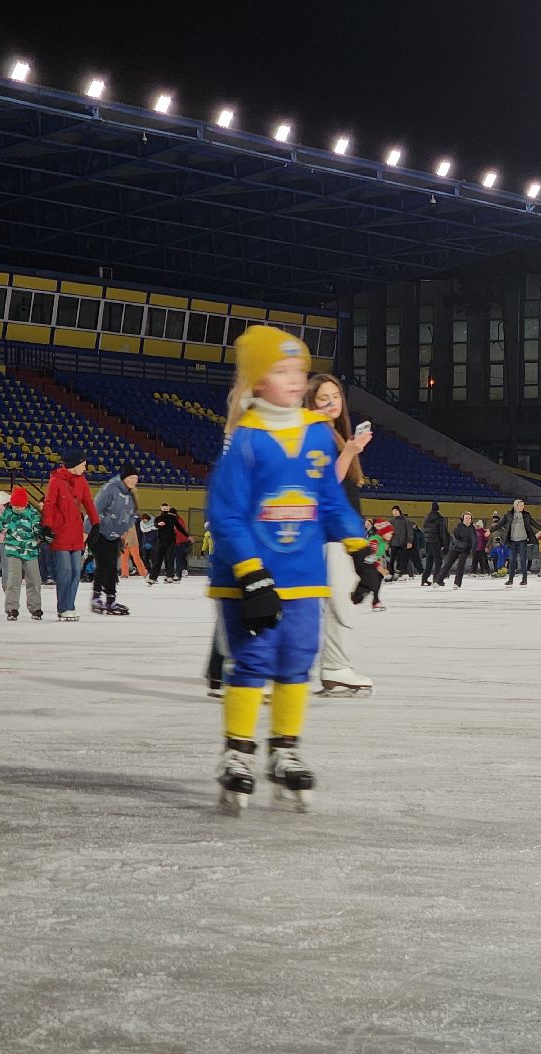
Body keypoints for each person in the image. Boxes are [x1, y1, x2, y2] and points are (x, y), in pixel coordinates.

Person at [208, 326, 379, 813]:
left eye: (299, 371)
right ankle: (238, 753)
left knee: (296, 662)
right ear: (259, 381)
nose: (295, 380)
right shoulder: (245, 440)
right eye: (282, 371)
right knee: (253, 660)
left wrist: (361, 552)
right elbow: (226, 514)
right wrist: (251, 574)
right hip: (249, 580)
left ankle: (284, 749)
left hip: (303, 576)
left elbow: (330, 500)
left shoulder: (316, 433)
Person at [307, 372, 377, 695]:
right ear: (310, 402)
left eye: (335, 396)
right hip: (329, 532)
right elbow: (324, 484)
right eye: (323, 397)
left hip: (339, 532)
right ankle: (333, 666)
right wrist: (349, 452)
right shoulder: (315, 434)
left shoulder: (332, 434)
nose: (331, 402)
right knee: (337, 601)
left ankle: (333, 666)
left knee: (337, 600)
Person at [42, 449, 100, 621]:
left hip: (76, 532)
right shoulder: (56, 481)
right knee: (65, 571)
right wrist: (47, 526)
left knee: (76, 571)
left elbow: (88, 502)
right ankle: (64, 607)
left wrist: (96, 523)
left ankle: (70, 605)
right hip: (60, 532)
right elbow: (49, 504)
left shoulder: (81, 480)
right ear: (74, 464)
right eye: (83, 464)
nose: (85, 468)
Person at [90, 464, 139, 615]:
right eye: (131, 478)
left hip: (114, 535)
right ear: (124, 478)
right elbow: (94, 509)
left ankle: (111, 599)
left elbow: (129, 515)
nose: (134, 481)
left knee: (111, 567)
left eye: (136, 478)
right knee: (103, 565)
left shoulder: (130, 495)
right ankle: (96, 597)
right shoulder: (110, 489)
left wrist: (123, 533)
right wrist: (87, 532)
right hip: (99, 532)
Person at [0, 486, 43, 621]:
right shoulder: (7, 514)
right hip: (13, 551)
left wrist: (41, 536)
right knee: (13, 579)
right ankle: (11, 608)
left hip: (30, 551)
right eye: (16, 506)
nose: (19, 509)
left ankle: (35, 608)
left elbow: (38, 530)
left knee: (34, 580)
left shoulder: (33, 513)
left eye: (21, 506)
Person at [502, 498, 541, 588]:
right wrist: (490, 530)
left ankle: (524, 579)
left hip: (523, 540)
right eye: (520, 505)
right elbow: (500, 524)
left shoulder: (526, 515)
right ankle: (510, 579)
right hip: (512, 541)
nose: (522, 507)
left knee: (523, 559)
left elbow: (534, 524)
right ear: (515, 505)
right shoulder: (509, 515)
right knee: (512, 560)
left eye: (523, 505)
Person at [435, 511, 476, 588]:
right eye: (466, 518)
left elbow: (474, 539)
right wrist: (462, 545)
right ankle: (439, 581)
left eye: (469, 518)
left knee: (460, 565)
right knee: (448, 564)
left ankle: (457, 583)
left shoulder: (472, 529)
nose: (468, 520)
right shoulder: (458, 527)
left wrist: (472, 548)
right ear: (463, 519)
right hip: (455, 548)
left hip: (465, 550)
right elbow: (455, 539)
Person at [147, 502, 177, 584]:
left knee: (169, 559)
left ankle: (169, 576)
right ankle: (153, 578)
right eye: (164, 509)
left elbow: (177, 527)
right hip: (161, 542)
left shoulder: (172, 518)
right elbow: (155, 524)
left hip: (170, 542)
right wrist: (158, 524)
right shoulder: (158, 518)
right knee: (157, 560)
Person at [420, 502, 448, 586]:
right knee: (438, 561)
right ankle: (436, 579)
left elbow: (424, 527)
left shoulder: (427, 517)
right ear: (438, 508)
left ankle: (424, 579)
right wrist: (444, 544)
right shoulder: (439, 518)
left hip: (427, 541)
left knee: (429, 561)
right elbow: (442, 532)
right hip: (436, 541)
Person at [387, 505, 410, 581]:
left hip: (403, 543)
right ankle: (391, 573)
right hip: (394, 543)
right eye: (393, 511)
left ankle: (401, 572)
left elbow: (409, 531)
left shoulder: (405, 520)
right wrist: (388, 543)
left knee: (402, 559)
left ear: (398, 511)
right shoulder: (391, 521)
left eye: (395, 511)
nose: (394, 512)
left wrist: (409, 541)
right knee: (392, 559)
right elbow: (389, 533)